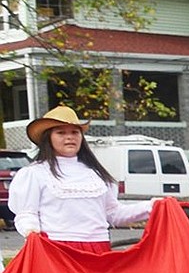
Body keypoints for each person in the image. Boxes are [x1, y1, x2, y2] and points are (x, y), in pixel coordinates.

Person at [9, 105, 153, 252]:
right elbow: (27, 214)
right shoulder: (34, 173)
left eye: (75, 132)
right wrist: (32, 232)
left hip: (98, 250)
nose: (70, 137)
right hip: (55, 250)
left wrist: (153, 207)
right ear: (48, 138)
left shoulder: (96, 174)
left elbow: (114, 214)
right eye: (61, 133)